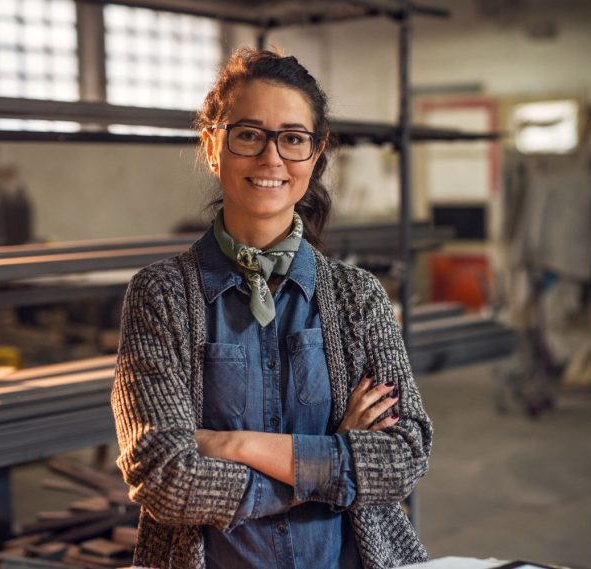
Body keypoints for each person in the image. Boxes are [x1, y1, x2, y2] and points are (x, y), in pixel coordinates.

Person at [111, 48, 433, 569]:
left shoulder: (357, 297)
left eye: (293, 138)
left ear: (315, 152)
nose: (271, 158)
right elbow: (165, 478)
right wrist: (332, 461)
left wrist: (233, 444)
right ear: (211, 146)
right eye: (248, 134)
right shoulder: (161, 296)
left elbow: (404, 455)